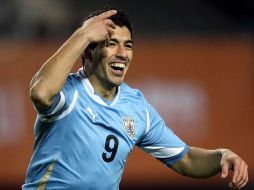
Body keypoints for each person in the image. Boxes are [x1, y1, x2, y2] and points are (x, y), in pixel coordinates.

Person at [22, 8, 248, 190]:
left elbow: (186, 159)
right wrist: (83, 34)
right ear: (89, 51)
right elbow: (40, 93)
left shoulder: (137, 108)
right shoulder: (69, 93)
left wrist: (220, 156)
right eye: (111, 44)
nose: (122, 53)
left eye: (128, 45)